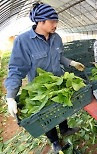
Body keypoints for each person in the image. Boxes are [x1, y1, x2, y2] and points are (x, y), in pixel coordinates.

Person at [4, 3, 85, 153]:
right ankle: (54, 141)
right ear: (41, 22)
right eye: (52, 21)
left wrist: (71, 62)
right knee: (47, 117)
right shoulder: (23, 41)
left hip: (59, 85)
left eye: (56, 21)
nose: (56, 25)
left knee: (63, 108)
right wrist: (10, 96)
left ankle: (65, 129)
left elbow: (59, 56)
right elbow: (16, 69)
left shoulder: (56, 38)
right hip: (42, 91)